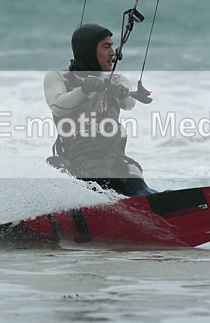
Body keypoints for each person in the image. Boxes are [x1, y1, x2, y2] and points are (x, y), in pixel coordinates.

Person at [44, 23, 156, 197]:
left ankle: (153, 201)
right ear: (88, 51)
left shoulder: (118, 79)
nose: (113, 52)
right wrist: (85, 89)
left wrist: (116, 89)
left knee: (132, 175)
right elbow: (59, 107)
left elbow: (128, 103)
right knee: (53, 166)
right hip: (74, 165)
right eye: (106, 46)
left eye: (112, 46)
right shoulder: (59, 77)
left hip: (112, 162)